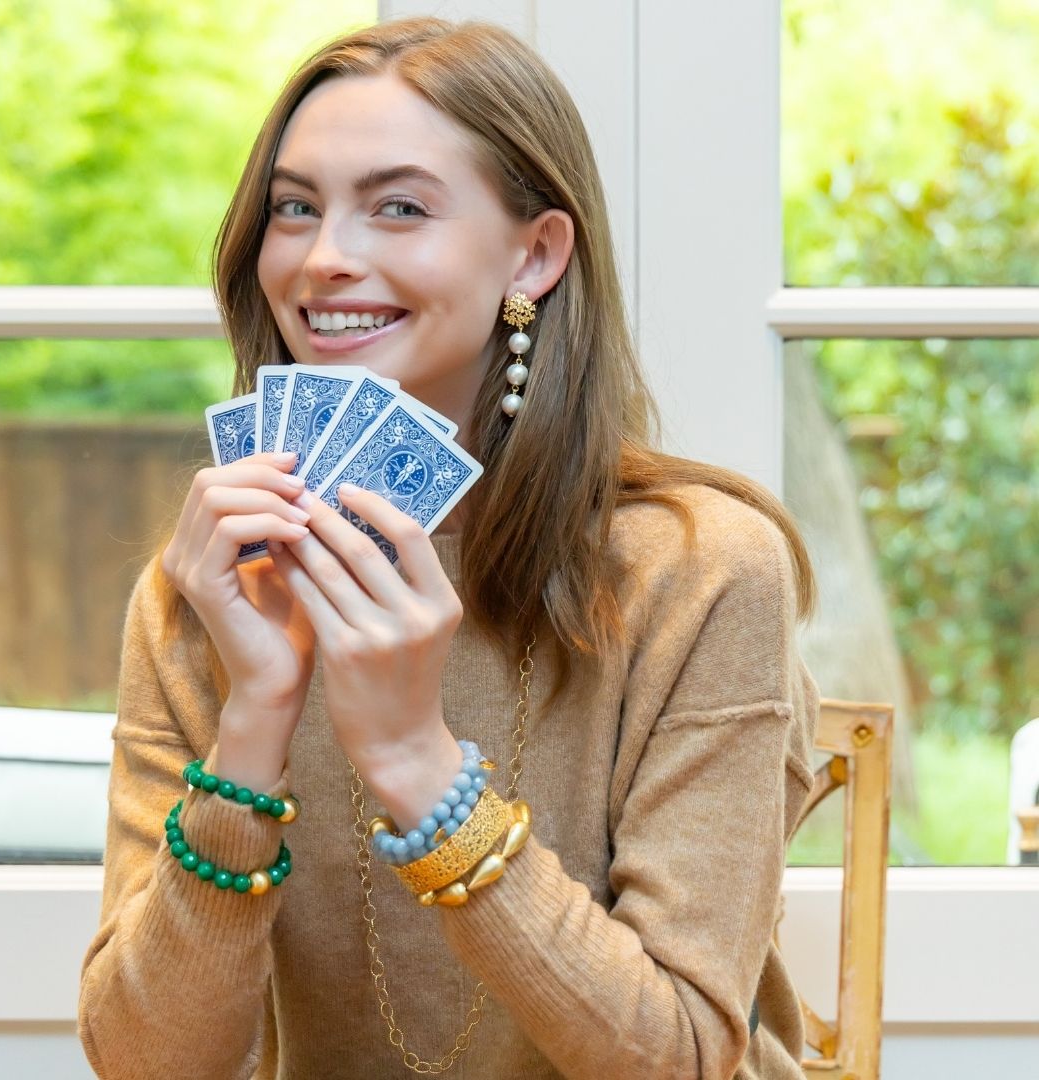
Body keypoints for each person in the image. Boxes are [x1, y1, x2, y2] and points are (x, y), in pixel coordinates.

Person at [78, 16, 819, 1080]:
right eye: (295, 208)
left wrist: (417, 768)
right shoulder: (210, 587)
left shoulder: (702, 571)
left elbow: (682, 1057)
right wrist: (253, 724)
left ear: (536, 252)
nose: (325, 258)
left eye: (399, 207)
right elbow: (147, 1065)